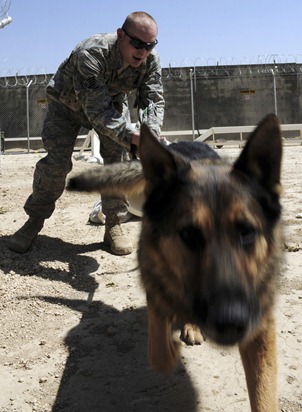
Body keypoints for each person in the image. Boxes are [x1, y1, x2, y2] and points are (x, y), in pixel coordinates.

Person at [8, 11, 164, 256]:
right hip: (67, 106)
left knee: (116, 166)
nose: (142, 52)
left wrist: (150, 135)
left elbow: (152, 101)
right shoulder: (91, 53)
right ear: (121, 35)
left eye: (150, 45)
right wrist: (133, 138)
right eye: (137, 44)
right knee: (56, 165)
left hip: (112, 105)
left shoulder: (150, 61)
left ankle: (113, 225)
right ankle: (34, 221)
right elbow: (96, 110)